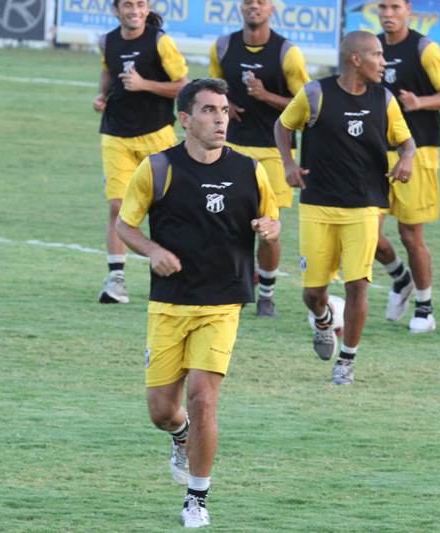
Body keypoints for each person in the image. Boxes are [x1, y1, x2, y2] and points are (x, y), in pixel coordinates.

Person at [116, 78, 280, 528]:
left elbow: (272, 225)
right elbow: (126, 225)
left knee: (204, 399)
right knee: (161, 412)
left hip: (223, 301)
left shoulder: (251, 171)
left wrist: (271, 233)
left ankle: (197, 498)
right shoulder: (158, 168)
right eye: (208, 110)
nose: (220, 119)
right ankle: (179, 433)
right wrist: (152, 251)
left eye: (224, 110)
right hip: (169, 304)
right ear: (185, 119)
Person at [275, 31, 415, 385]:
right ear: (356, 59)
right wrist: (289, 165)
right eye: (378, 55)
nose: (384, 62)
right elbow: (282, 124)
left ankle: (346, 362)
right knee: (313, 293)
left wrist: (407, 158)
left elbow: (406, 140)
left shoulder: (384, 99)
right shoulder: (315, 94)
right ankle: (323, 320)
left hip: (366, 205)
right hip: (318, 205)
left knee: (358, 286)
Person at [209, 0, 310, 317]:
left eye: (261, 2)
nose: (254, 5)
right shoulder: (224, 46)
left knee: (268, 228)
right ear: (240, 7)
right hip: (232, 150)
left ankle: (266, 296)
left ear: (272, 10)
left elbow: (307, 105)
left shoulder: (287, 52)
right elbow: (213, 90)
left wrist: (266, 96)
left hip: (274, 153)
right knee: (228, 224)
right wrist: (225, 104)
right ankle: (237, 286)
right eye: (248, 1)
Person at [93, 0, 188, 304]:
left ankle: (175, 273)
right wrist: (101, 96)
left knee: (167, 207)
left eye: (140, 5)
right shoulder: (106, 41)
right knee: (117, 206)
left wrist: (144, 84)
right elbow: (108, 71)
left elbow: (182, 87)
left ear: (147, 10)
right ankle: (116, 279)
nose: (134, 10)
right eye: (128, 5)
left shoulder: (161, 42)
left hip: (156, 134)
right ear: (115, 10)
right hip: (115, 135)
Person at [375, 0, 440, 332]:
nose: (388, 13)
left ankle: (424, 308)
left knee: (411, 235)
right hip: (376, 153)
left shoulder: (424, 48)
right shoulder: (371, 47)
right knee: (366, 232)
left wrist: (420, 102)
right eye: (382, 6)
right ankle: (400, 277)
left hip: (418, 152)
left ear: (408, 9)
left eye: (395, 6)